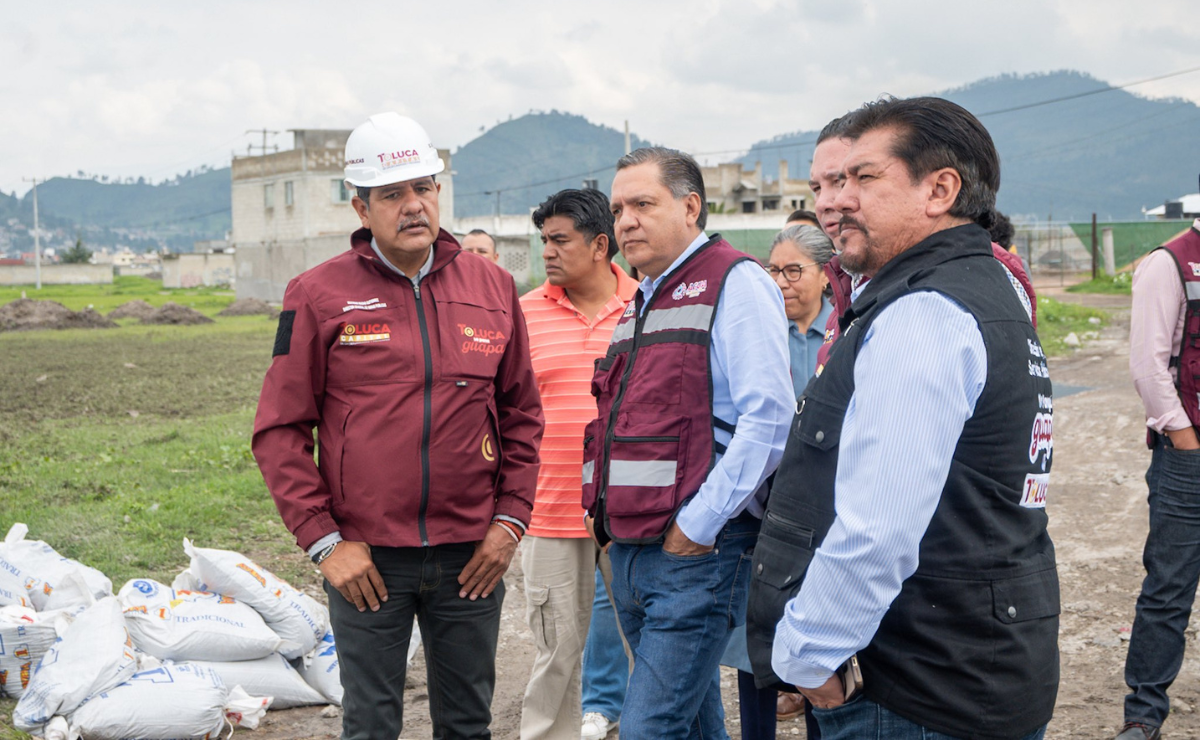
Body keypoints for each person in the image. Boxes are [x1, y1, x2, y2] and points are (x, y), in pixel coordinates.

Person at [746, 96, 1059, 740]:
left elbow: (877, 527)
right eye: (829, 183)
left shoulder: (926, 313)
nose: (837, 200)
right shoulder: (982, 286)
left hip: (916, 690)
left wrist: (808, 655)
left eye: (863, 178)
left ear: (939, 190)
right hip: (973, 666)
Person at [252, 112, 543, 740]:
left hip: (473, 553)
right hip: (367, 560)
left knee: (468, 723)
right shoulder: (317, 294)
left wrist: (509, 523)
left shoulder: (493, 286)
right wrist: (325, 542)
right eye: (392, 194)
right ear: (362, 207)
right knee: (372, 724)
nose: (413, 206)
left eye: (424, 188)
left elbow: (522, 415)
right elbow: (278, 431)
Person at [582, 146, 793, 739]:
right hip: (630, 550)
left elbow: (769, 419)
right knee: (695, 728)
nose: (625, 220)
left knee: (650, 728)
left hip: (698, 554)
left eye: (643, 204)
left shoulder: (736, 281)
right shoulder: (640, 300)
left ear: (691, 207)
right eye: (619, 208)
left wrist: (699, 524)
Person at [517, 188, 638, 740]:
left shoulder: (647, 305)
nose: (547, 251)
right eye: (544, 240)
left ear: (598, 246)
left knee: (654, 645)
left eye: (559, 240)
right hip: (550, 512)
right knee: (555, 654)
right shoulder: (523, 316)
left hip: (635, 515)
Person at [720, 223, 836, 740]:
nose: (783, 282)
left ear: (826, 277)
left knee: (819, 638)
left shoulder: (843, 334)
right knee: (756, 632)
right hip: (764, 506)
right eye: (775, 270)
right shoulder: (763, 329)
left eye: (795, 271)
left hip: (827, 506)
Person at [1116, 207, 1200, 740]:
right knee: (1170, 585)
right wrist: (1185, 438)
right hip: (1188, 455)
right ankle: (1144, 714)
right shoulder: (1170, 263)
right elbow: (1148, 364)